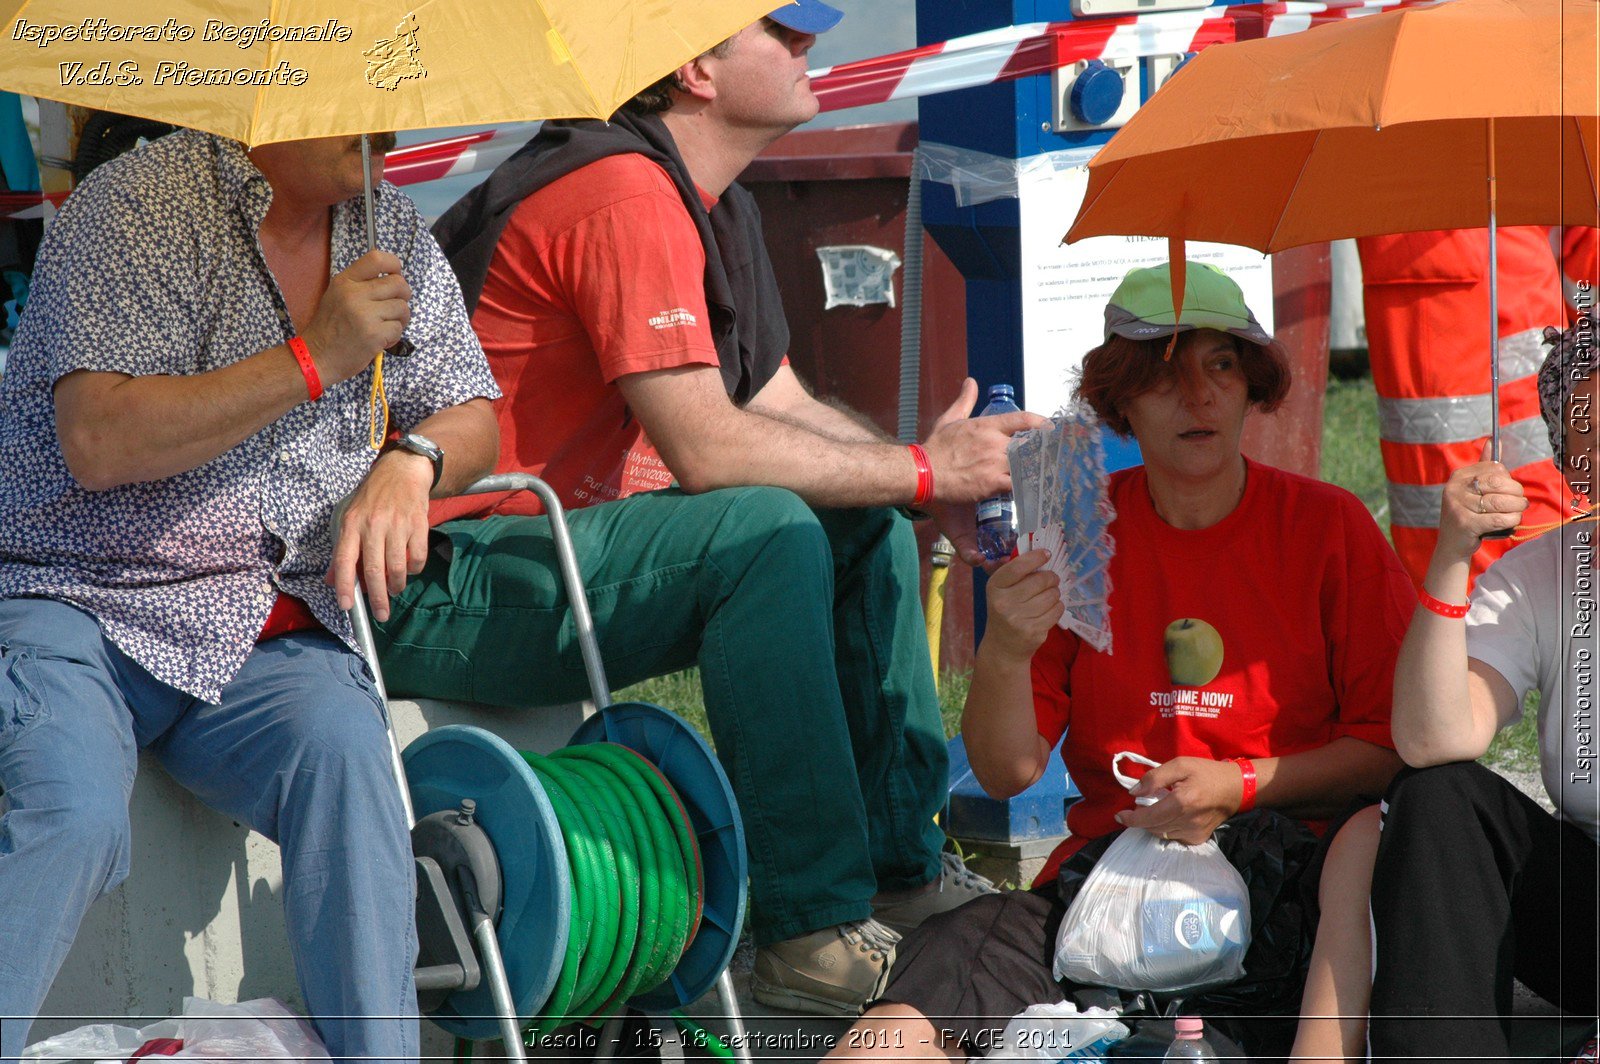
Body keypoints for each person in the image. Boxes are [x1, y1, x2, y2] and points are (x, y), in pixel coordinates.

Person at [373, 0, 1037, 1018]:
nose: (812, 40)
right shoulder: (620, 190)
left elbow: (775, 404)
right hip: (442, 577)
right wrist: (920, 470)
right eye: (781, 29)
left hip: (542, 552)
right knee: (761, 531)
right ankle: (808, 930)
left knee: (854, 520)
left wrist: (919, 481)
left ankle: (899, 876)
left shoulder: (701, 196)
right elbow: (707, 443)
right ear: (695, 70)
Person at [829, 261, 1416, 1063]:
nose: (1199, 394)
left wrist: (1237, 785)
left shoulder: (1329, 528)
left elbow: (1390, 755)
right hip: (1108, 878)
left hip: (1295, 878)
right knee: (913, 1008)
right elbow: (1006, 772)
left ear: (1253, 387)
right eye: (1164, 374)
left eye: (1221, 365)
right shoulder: (1075, 531)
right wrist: (1005, 648)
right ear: (1121, 404)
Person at [0, 127, 500, 1063]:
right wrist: (315, 357)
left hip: (255, 621)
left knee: (352, 762)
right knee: (72, 816)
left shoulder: (389, 226)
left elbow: (473, 408)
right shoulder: (136, 203)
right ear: (266, 102)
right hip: (75, 597)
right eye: (354, 98)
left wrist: (415, 459)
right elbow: (99, 440)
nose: (384, 126)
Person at [1368, 322, 1600, 1062]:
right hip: (1588, 916)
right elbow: (1434, 737)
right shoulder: (1543, 576)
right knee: (1438, 796)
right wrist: (1450, 559)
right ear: (1571, 464)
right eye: (1590, 432)